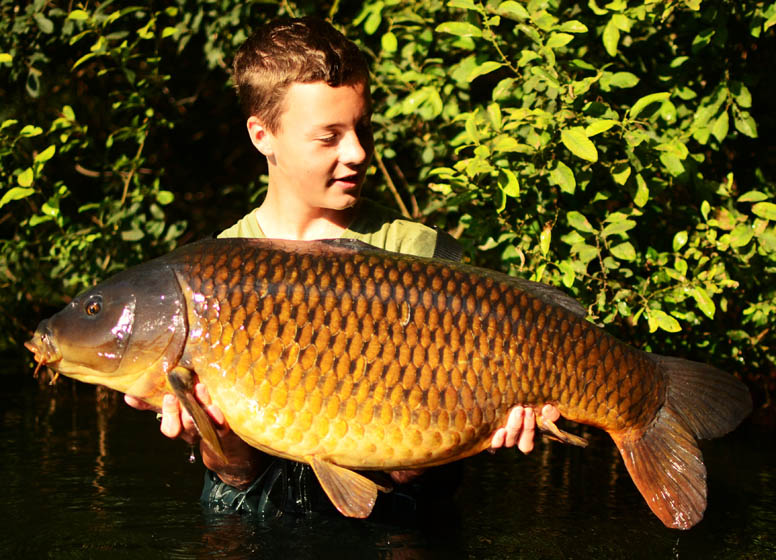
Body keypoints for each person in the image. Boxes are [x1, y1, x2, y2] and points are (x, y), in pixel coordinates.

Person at [126, 16, 560, 518]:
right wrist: (211, 431)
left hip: (398, 517)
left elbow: (407, 469)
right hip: (259, 522)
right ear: (262, 135)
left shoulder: (416, 252)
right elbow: (235, 475)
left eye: (361, 128)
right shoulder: (213, 269)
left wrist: (479, 423)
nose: (357, 152)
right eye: (328, 137)